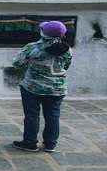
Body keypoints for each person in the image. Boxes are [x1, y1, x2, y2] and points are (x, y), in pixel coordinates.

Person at [11, 21, 72, 152]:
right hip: (57, 88)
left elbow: (17, 63)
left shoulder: (33, 47)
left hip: (33, 87)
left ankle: (30, 143)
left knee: (32, 115)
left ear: (43, 33)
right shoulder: (67, 49)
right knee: (53, 116)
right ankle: (50, 144)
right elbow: (66, 66)